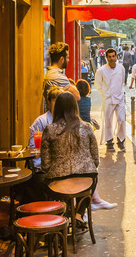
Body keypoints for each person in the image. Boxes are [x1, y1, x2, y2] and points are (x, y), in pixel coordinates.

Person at [41, 92, 116, 222]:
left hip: (57, 183)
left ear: (57, 108)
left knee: (39, 183)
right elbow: (95, 160)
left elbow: (45, 164)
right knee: (93, 176)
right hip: (86, 181)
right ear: (75, 107)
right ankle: (79, 214)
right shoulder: (87, 127)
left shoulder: (50, 129)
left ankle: (60, 217)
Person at [95, 48, 127, 152]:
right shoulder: (101, 70)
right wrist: (105, 94)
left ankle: (121, 139)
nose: (112, 58)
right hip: (108, 99)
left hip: (120, 98)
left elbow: (122, 80)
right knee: (108, 121)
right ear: (106, 58)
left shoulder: (121, 68)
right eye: (110, 57)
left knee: (121, 119)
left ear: (116, 56)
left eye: (113, 56)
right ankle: (109, 141)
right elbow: (98, 85)